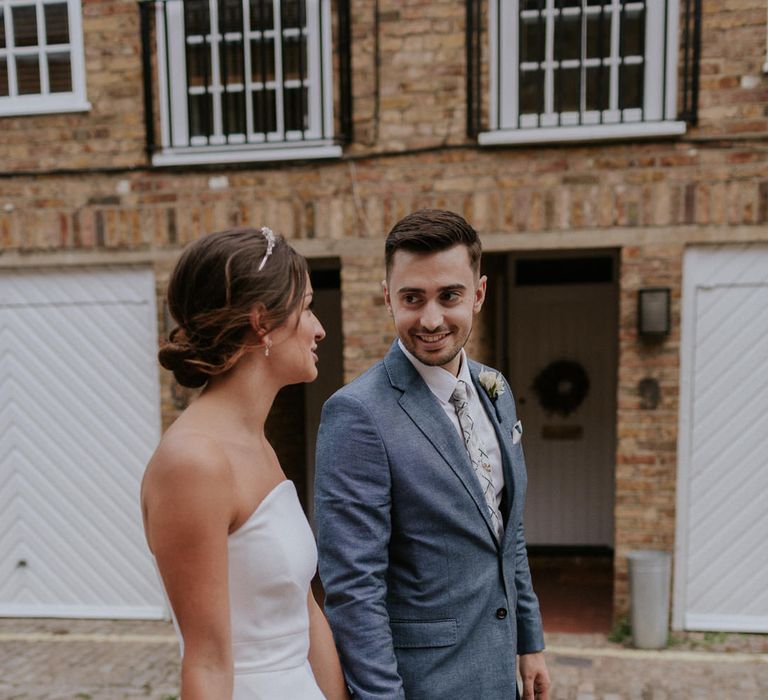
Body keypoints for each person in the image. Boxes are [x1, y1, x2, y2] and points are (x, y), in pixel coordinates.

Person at [314, 210, 550, 699]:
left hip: (498, 675)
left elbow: (508, 532)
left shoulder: (496, 388)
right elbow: (355, 587)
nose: (431, 319)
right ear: (387, 298)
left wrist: (529, 641)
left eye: (449, 296)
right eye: (411, 298)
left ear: (478, 294)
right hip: (423, 685)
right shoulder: (357, 414)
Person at [141, 227, 348, 700]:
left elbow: (305, 611)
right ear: (262, 321)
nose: (319, 328)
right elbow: (208, 663)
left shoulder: (260, 445)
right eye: (308, 306)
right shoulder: (193, 463)